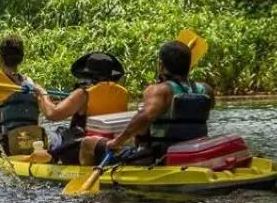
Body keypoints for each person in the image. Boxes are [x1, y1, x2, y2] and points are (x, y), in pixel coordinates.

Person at [66, 40, 214, 167]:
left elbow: (145, 116)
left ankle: (87, 175)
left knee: (88, 143)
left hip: (155, 156)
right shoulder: (205, 90)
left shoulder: (160, 90)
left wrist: (117, 141)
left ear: (161, 65)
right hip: (192, 150)